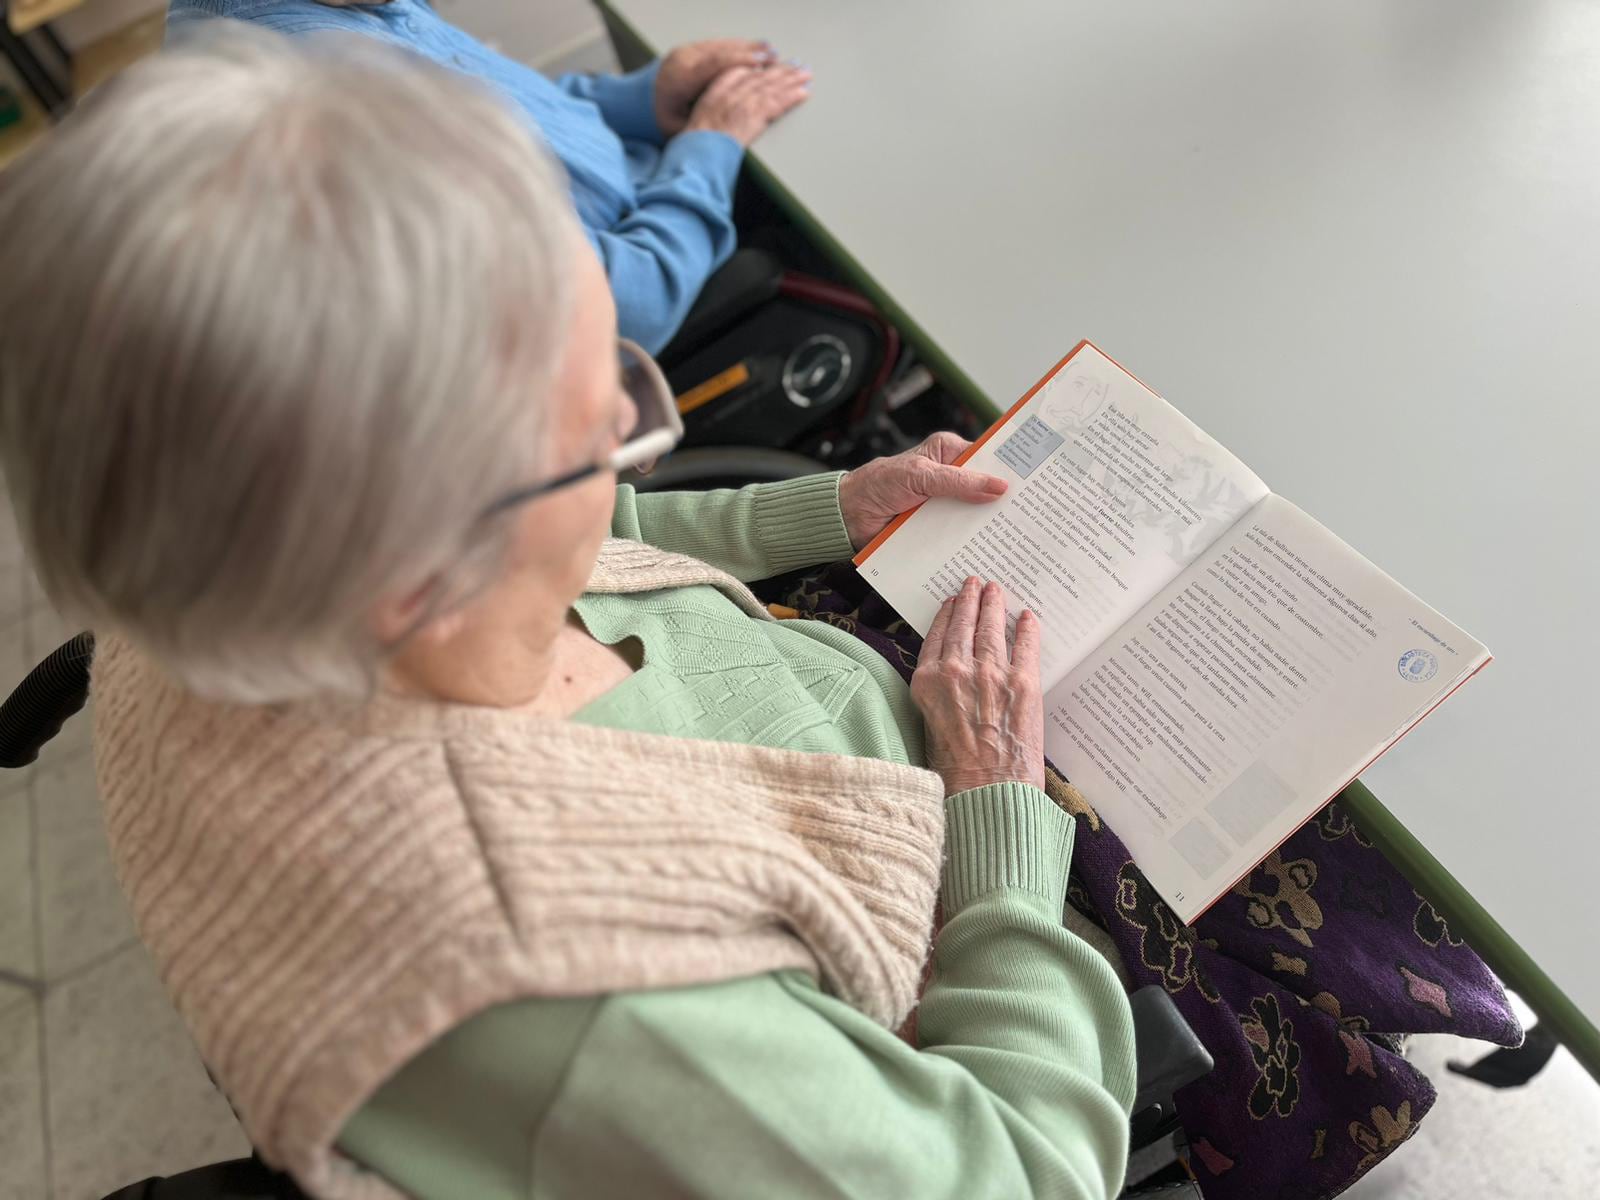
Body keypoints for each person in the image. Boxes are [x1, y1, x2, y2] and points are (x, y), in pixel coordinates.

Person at [0, 29, 1134, 1200]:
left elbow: (606, 541)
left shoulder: (228, 555)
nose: (622, 451)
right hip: (981, 895)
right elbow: (1020, 1177)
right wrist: (997, 826)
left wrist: (833, 506)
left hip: (846, 700)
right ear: (416, 567)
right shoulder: (587, 992)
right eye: (602, 424)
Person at [165, 0, 810, 356]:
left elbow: (497, 110)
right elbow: (624, 308)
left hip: (648, 207)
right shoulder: (329, 107)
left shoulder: (331, 6)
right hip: (644, 315)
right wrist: (709, 145)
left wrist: (642, 100)